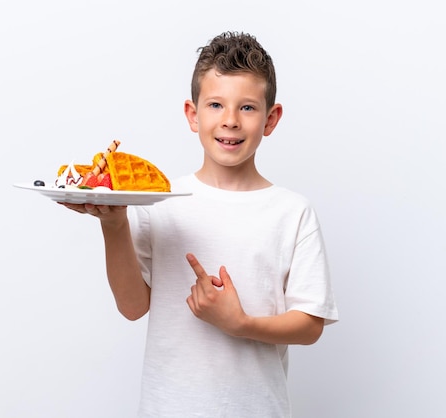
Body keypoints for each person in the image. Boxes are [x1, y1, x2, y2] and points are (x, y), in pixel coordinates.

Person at [61, 31, 339, 418]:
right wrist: (114, 223)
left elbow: (310, 325)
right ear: (193, 114)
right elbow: (132, 306)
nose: (230, 121)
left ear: (271, 118)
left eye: (247, 108)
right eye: (215, 104)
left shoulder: (291, 212)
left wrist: (239, 323)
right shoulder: (156, 201)